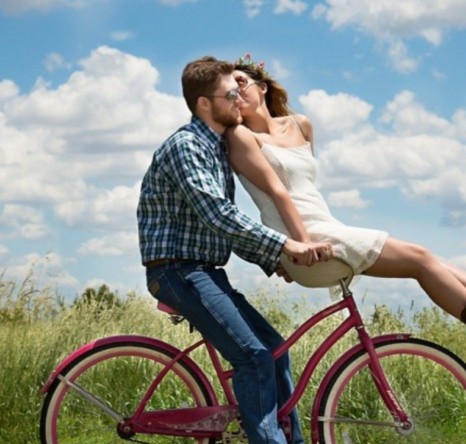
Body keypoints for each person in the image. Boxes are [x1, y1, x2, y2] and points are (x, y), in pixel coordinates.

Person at [226, 53, 466, 360]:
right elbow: (280, 194)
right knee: (420, 259)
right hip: (304, 240)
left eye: (240, 83)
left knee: (426, 260)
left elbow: (307, 191)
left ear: (262, 87)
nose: (235, 92)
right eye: (228, 91)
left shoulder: (300, 125)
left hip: (325, 228)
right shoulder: (241, 137)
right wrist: (297, 247)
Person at [137, 56, 331, 444]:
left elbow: (223, 231)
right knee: (254, 358)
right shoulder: (187, 146)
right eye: (230, 94)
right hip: (177, 272)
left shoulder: (216, 150)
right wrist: (286, 244)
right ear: (204, 103)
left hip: (204, 272)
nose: (238, 99)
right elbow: (219, 216)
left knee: (274, 351)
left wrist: (274, 259)